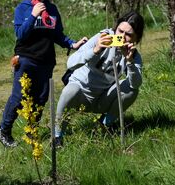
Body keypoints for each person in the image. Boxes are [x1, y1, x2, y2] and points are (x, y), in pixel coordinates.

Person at [0, 0, 88, 148]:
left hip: (46, 61)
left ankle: (32, 133)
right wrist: (33, 15)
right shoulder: (22, 9)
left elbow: (57, 35)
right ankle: (4, 129)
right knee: (19, 97)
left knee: (41, 98)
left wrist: (72, 44)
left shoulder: (52, 9)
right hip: (25, 58)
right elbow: (20, 34)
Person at [54, 10, 145, 147]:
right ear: (115, 28)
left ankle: (103, 126)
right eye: (120, 31)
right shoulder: (102, 38)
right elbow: (70, 63)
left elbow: (136, 84)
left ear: (136, 39)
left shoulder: (133, 55)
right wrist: (95, 50)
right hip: (80, 94)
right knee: (69, 90)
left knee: (132, 90)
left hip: (102, 98)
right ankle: (57, 136)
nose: (122, 36)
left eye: (129, 35)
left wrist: (129, 62)